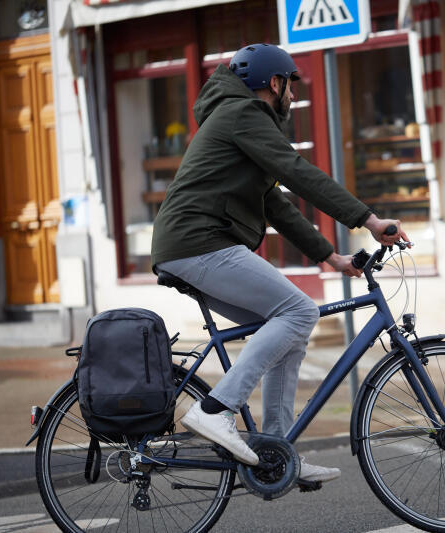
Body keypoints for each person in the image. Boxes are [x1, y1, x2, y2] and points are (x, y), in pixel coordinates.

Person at [151, 43, 408, 484]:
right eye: (290, 84)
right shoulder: (243, 115)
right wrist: (368, 219)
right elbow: (296, 171)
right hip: (199, 242)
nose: (293, 94)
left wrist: (331, 257)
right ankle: (214, 410)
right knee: (299, 309)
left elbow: (275, 203)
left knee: (290, 328)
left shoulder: (237, 121)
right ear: (274, 83)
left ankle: (275, 451)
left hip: (191, 245)